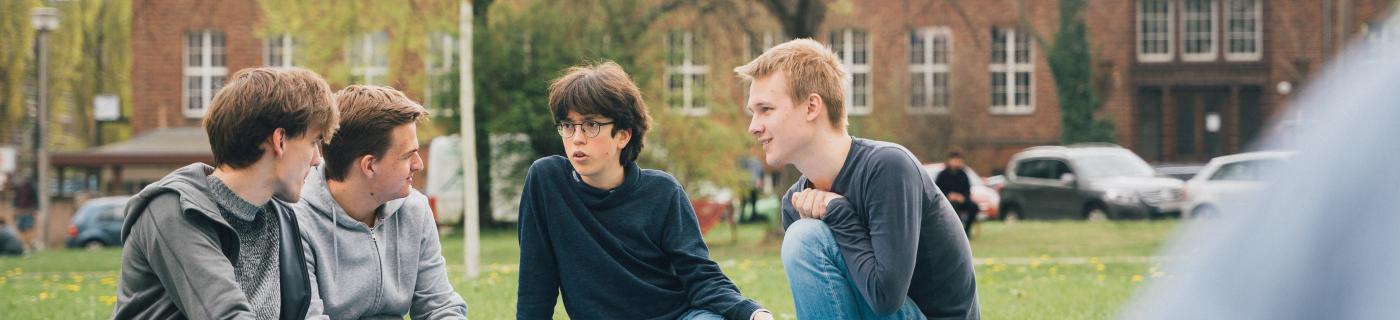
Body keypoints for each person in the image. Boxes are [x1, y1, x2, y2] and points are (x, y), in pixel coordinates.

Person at [736, 39, 980, 319]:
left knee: (805, 238)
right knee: (803, 235)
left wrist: (839, 214)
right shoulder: (797, 202)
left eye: (765, 109)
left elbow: (885, 298)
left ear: (811, 107)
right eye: (752, 113)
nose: (754, 126)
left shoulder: (887, 167)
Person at [516, 61, 772, 320]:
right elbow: (535, 281)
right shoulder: (547, 181)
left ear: (623, 136)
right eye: (568, 126)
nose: (577, 138)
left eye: (591, 125)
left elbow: (699, 275)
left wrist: (752, 313)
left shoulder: (663, 192)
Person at [113, 67, 337, 319]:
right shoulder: (174, 211)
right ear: (280, 140)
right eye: (314, 142)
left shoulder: (280, 218)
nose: (318, 160)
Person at [296, 85, 467, 319]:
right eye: (408, 155)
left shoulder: (415, 210)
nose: (419, 164)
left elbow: (439, 307)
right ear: (369, 165)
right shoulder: (297, 222)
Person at [934, 151, 979, 238]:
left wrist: (962, 197)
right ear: (949, 161)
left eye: (959, 160)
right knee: (953, 208)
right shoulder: (942, 175)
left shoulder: (963, 175)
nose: (956, 163)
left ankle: (966, 232)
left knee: (974, 207)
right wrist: (949, 196)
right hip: (946, 202)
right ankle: (953, 233)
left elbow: (967, 190)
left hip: (961, 200)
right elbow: (937, 191)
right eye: (954, 160)